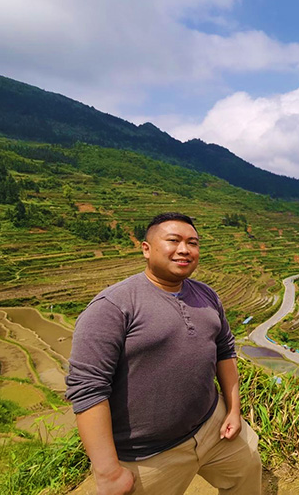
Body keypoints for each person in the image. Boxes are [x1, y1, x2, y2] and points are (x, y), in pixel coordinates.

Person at [66, 212, 261, 495]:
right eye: (174, 240)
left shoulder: (207, 296)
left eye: (192, 243)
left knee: (247, 472)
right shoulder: (113, 306)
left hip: (213, 426)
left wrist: (233, 410)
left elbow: (225, 350)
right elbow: (88, 389)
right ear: (146, 249)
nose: (185, 249)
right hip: (148, 456)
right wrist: (108, 472)